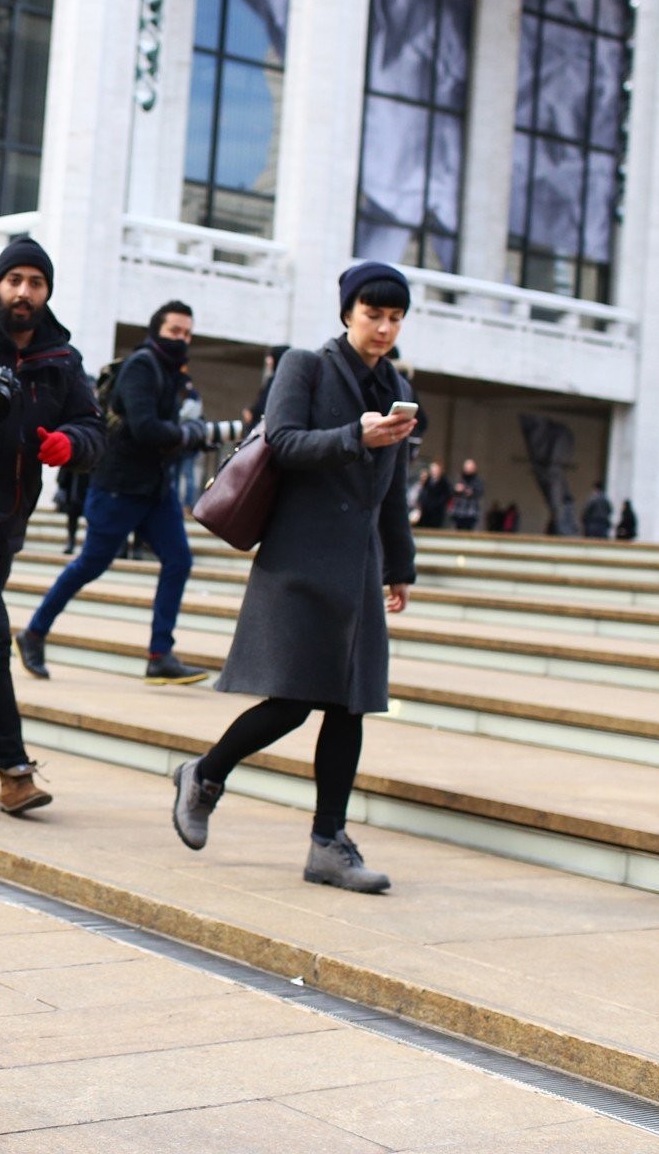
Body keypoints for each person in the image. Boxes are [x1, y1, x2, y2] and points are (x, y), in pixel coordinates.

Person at [170, 261, 418, 893]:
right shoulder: (306, 366)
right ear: (347, 313)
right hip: (300, 557)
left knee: (352, 704)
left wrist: (401, 563)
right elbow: (280, 440)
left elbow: (392, 491)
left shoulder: (397, 385)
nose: (384, 327)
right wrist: (354, 437)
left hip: (358, 567)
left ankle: (328, 844)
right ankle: (204, 774)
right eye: (373, 314)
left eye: (395, 317)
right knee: (296, 697)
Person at [0, 237, 105, 815]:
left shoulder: (61, 362)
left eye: (35, 283)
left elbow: (94, 428)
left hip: (8, 524)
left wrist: (71, 443)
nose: (24, 292)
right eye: (14, 279)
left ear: (47, 292)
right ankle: (13, 772)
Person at [17, 301, 210, 686]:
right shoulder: (142, 366)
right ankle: (33, 633)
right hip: (119, 486)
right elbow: (145, 428)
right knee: (91, 564)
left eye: (187, 334)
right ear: (157, 331)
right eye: (175, 331)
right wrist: (190, 435)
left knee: (179, 561)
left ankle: (160, 654)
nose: (182, 340)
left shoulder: (170, 372)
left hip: (155, 488)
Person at [448, 458, 483, 530]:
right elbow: (450, 491)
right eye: (467, 468)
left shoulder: (478, 481)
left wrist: (472, 493)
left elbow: (480, 492)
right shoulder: (458, 478)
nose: (468, 470)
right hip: (458, 511)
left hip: (471, 513)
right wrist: (456, 489)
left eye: (470, 468)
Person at [415, 461, 451, 528]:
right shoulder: (427, 480)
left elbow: (446, 495)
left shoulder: (444, 482)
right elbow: (423, 493)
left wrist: (437, 503)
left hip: (437, 511)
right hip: (426, 511)